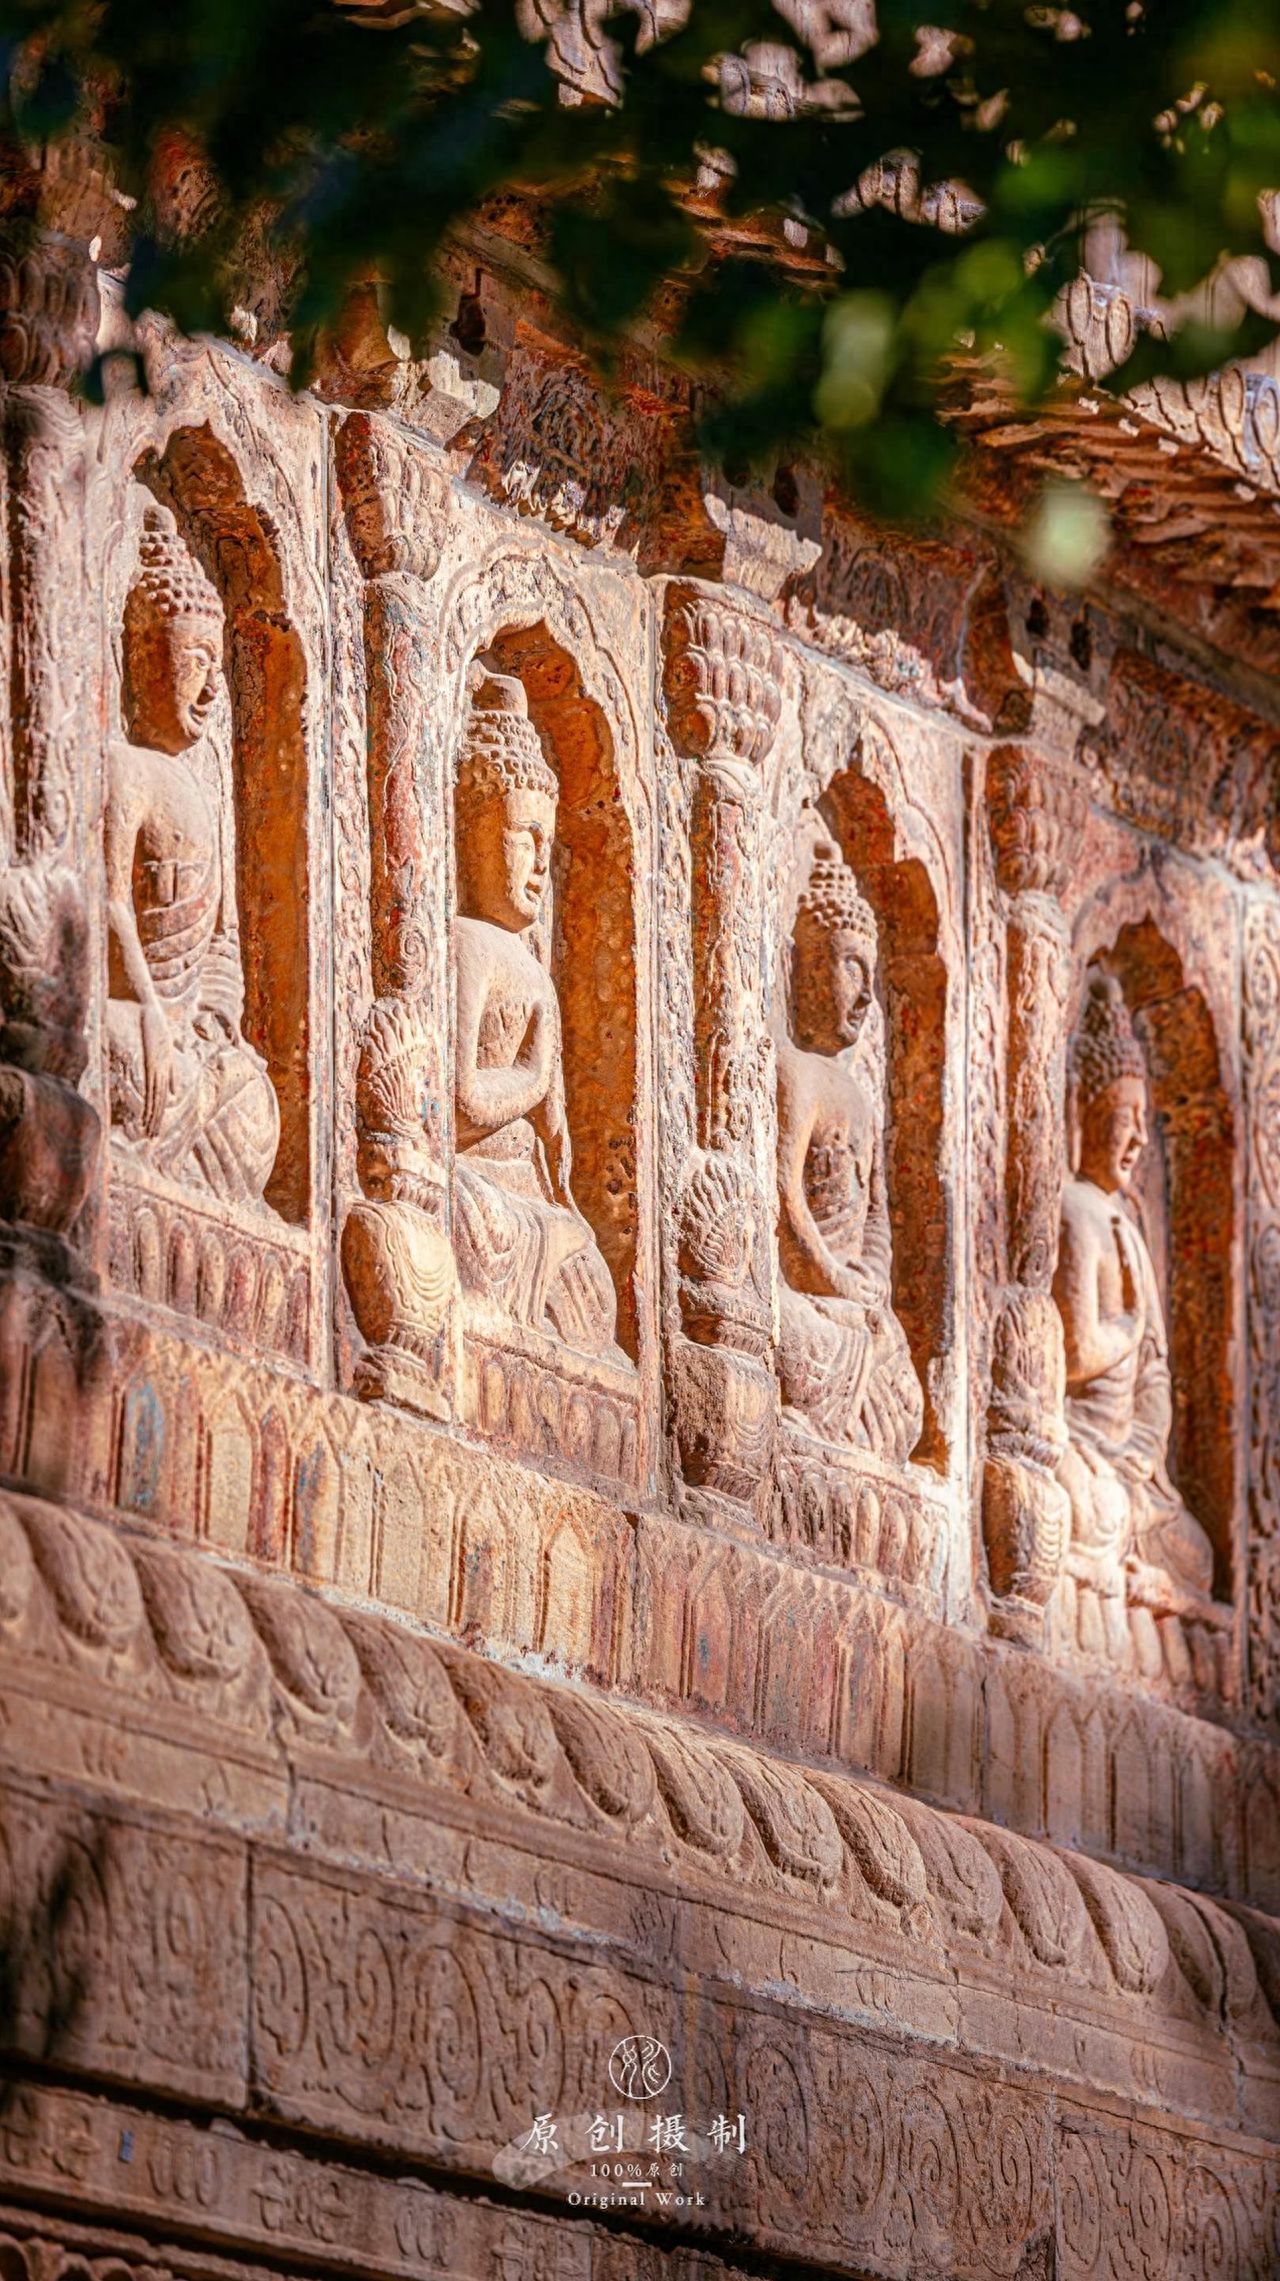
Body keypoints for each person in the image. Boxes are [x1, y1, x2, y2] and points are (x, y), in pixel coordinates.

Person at [105, 506, 279, 1207]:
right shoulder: (126, 771)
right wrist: (148, 1006)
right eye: (194, 660)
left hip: (189, 1038)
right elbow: (109, 903)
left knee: (253, 1099)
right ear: (144, 654)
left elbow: (222, 943)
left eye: (218, 664)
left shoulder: (205, 791)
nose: (211, 687)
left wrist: (213, 1020)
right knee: (117, 1051)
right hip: (136, 1015)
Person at [451, 669, 619, 1357]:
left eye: (548, 842)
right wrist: (533, 1079)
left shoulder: (534, 970)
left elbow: (556, 1140)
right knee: (463, 1230)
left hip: (529, 1189)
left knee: (593, 1286)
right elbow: (458, 1094)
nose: (540, 862)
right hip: (475, 1181)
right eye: (524, 835)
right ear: (470, 831)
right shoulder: (468, 944)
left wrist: (554, 1132)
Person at [1054, 969, 1214, 1596]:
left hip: (1130, 1466)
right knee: (1079, 1509)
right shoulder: (1075, 1210)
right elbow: (1073, 1355)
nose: (1141, 1138)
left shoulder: (1130, 1224)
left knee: (1197, 1558)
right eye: (1126, 1117)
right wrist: (1128, 1328)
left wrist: (1145, 1452)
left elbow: (1154, 1374)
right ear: (1085, 1114)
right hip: (1083, 1444)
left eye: (1147, 1119)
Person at [774, 839, 922, 1462]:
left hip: (852, 1302)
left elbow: (878, 1215)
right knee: (792, 1344)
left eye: (871, 973)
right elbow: (782, 1194)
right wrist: (829, 1277)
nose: (866, 996)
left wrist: (869, 1280)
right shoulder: (797, 1073)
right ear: (806, 969)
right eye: (851, 968)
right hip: (809, 1293)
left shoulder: (860, 1099)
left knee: (909, 1404)